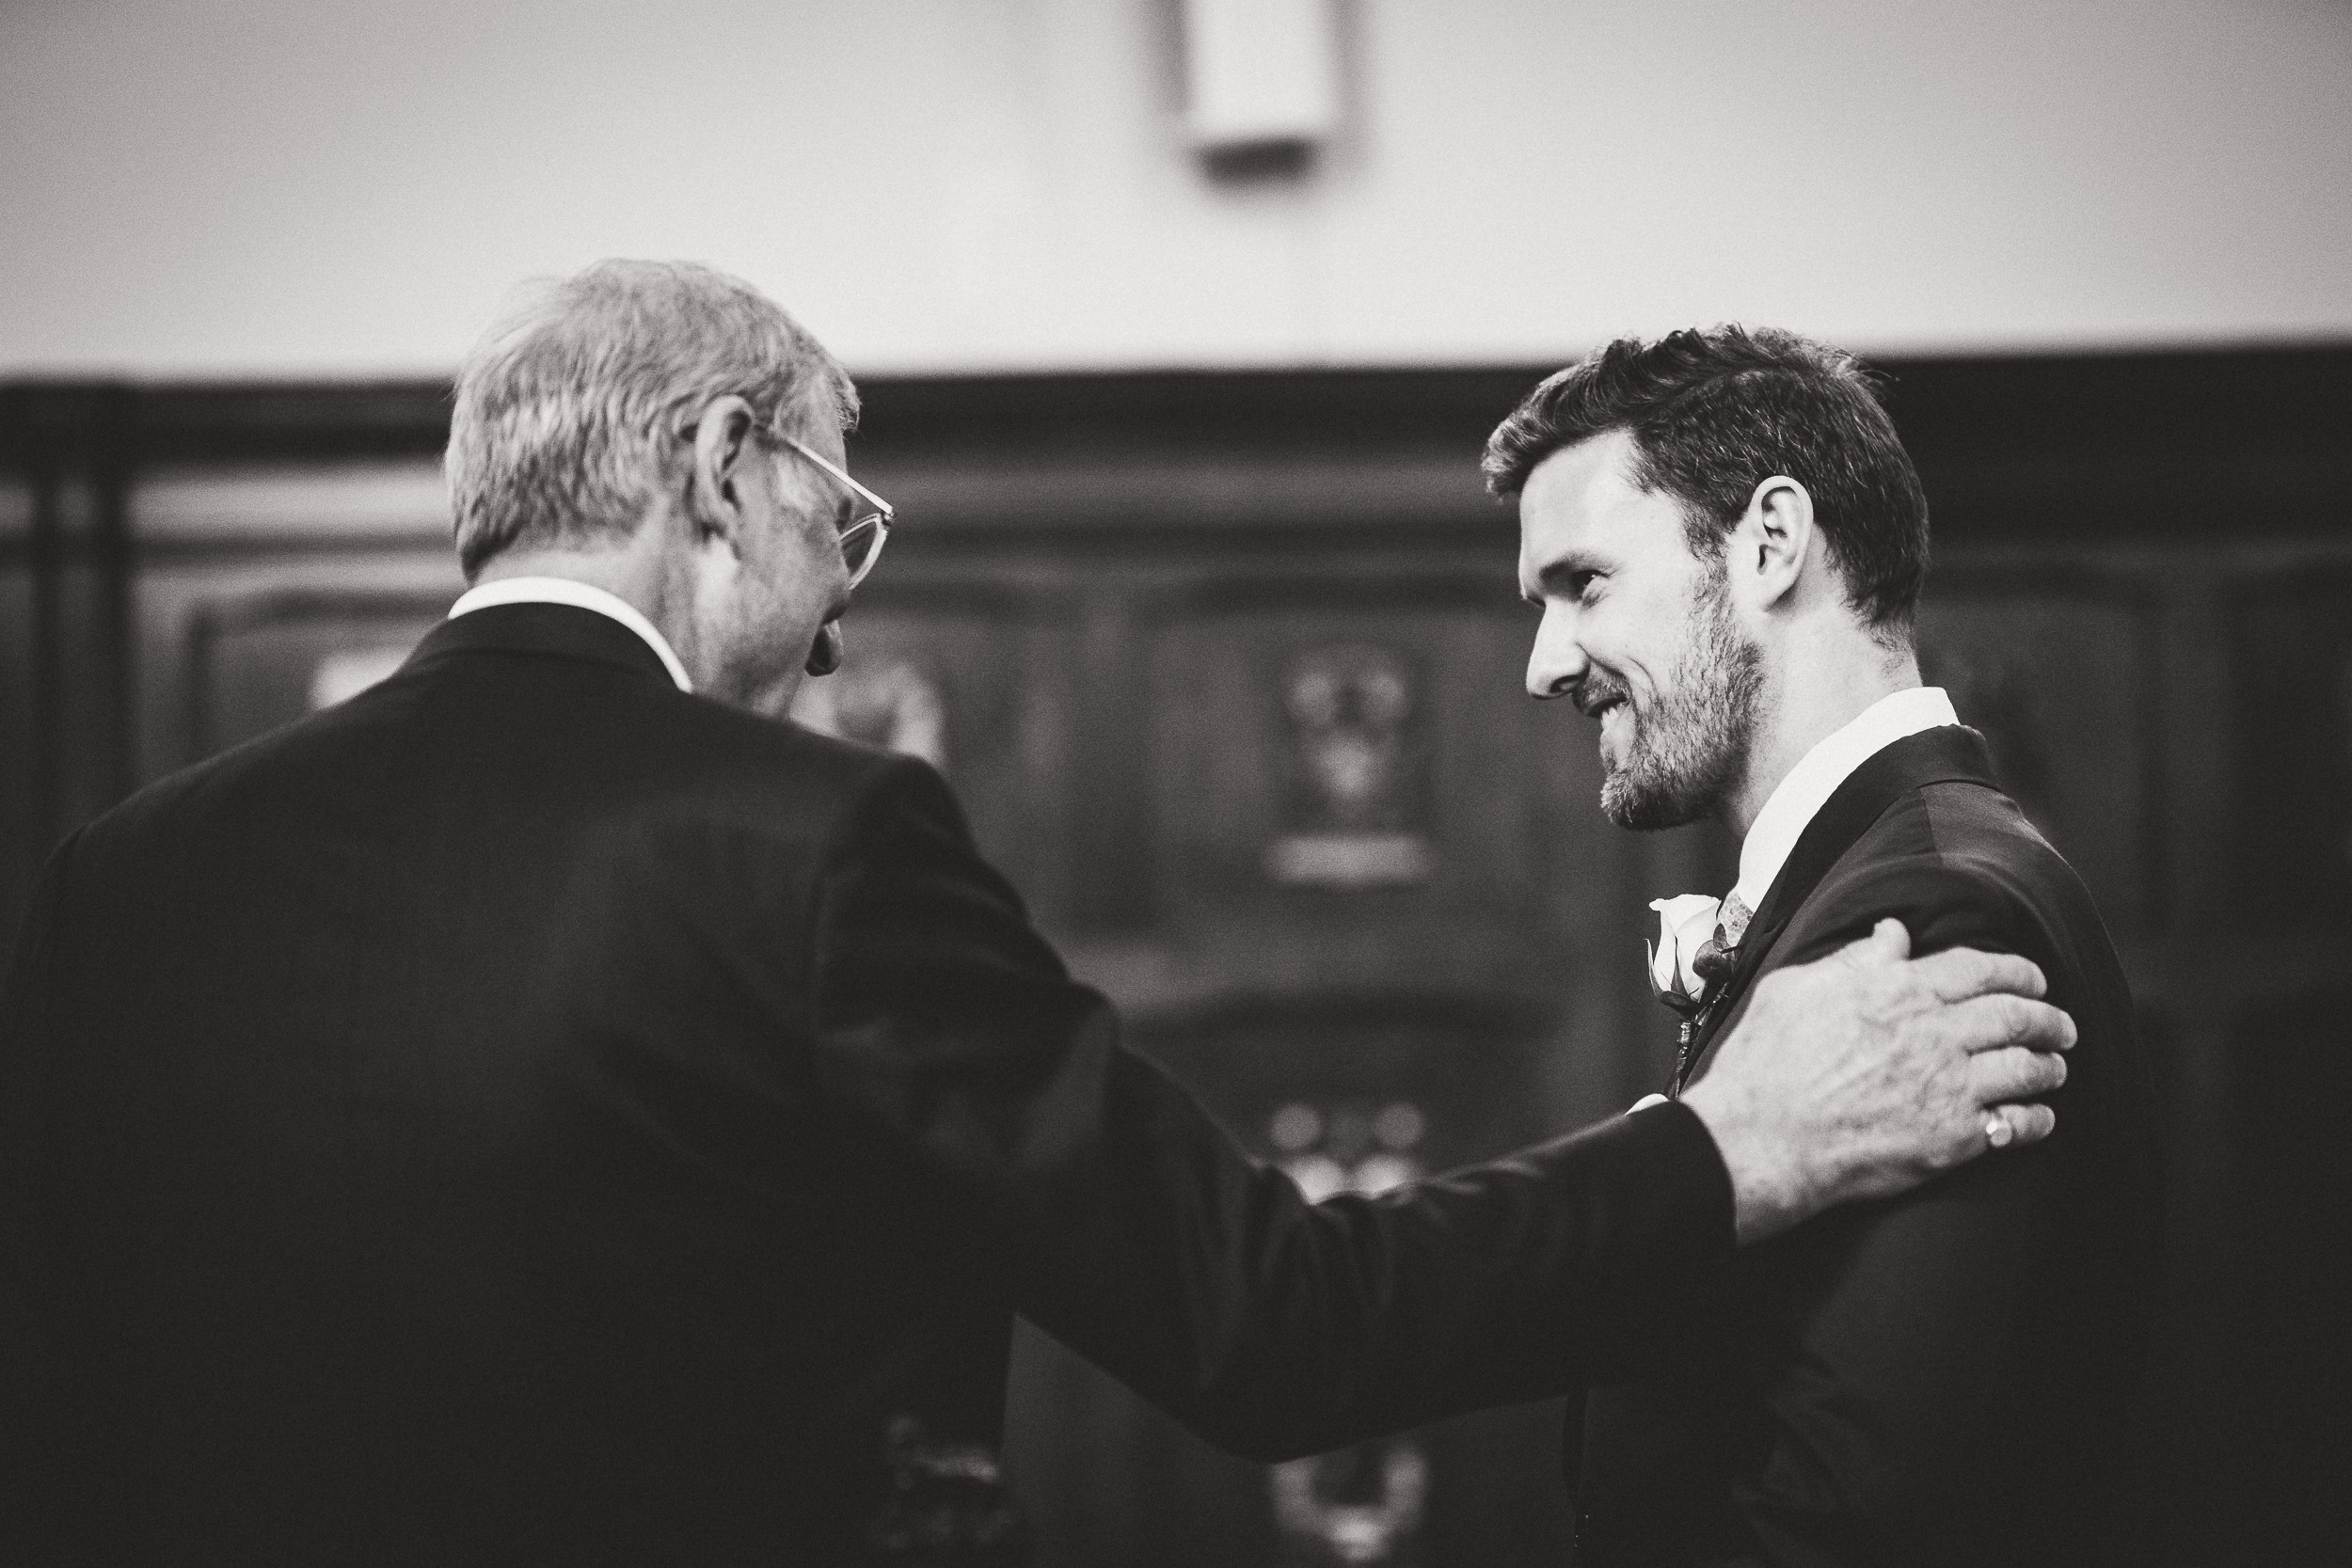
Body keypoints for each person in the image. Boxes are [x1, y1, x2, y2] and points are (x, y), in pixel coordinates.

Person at [0, 264, 2074, 1565]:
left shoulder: (125, 880)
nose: (839, 631)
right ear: (722, 470)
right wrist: (1726, 1146)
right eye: (842, 520)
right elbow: (1267, 1322)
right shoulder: (806, 849)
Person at [1490, 325, 2164, 1567]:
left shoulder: (1931, 909)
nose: (1544, 665)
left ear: (1769, 542)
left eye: (1581, 584)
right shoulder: (1900, 870)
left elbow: (1856, 1521)